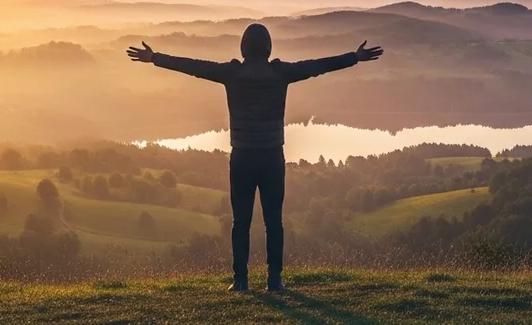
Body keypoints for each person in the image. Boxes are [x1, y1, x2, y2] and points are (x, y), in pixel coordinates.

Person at [127, 23, 383, 292]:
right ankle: (274, 280)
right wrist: (354, 57)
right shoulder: (280, 73)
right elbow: (317, 66)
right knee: (274, 222)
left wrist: (155, 58)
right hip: (272, 155)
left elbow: (194, 67)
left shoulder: (232, 73)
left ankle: (240, 281)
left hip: (242, 156)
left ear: (243, 47)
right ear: (268, 48)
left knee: (241, 222)